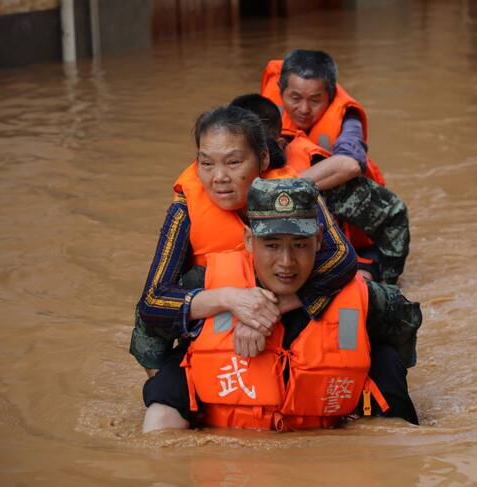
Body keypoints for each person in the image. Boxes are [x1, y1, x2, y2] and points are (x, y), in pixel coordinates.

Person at [142, 178, 422, 432]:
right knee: (165, 401)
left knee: (386, 362)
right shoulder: (207, 282)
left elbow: (405, 322)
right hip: (235, 448)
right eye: (272, 245)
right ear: (249, 241)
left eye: (300, 245)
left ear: (319, 240)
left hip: (323, 436)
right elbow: (149, 322)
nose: (286, 262)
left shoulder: (360, 296)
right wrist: (168, 377)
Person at [129, 105, 358, 376]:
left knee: (361, 290)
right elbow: (153, 299)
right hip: (221, 307)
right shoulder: (185, 209)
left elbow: (342, 257)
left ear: (262, 160)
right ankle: (164, 389)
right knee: (149, 317)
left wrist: (268, 307)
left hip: (289, 298)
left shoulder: (291, 192)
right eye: (207, 163)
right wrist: (231, 299)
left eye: (233, 162)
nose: (219, 178)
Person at [260, 50, 410, 282]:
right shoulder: (263, 109)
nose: (304, 109)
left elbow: (350, 164)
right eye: (295, 98)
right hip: (300, 210)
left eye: (315, 100)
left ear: (330, 95)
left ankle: (381, 277)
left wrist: (282, 191)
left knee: (364, 278)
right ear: (281, 92)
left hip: (347, 218)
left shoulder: (347, 117)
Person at [231, 93, 408, 283]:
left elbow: (393, 213)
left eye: (254, 152)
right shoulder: (213, 184)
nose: (224, 173)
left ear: (275, 148)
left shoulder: (317, 176)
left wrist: (388, 280)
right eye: (233, 158)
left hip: (321, 273)